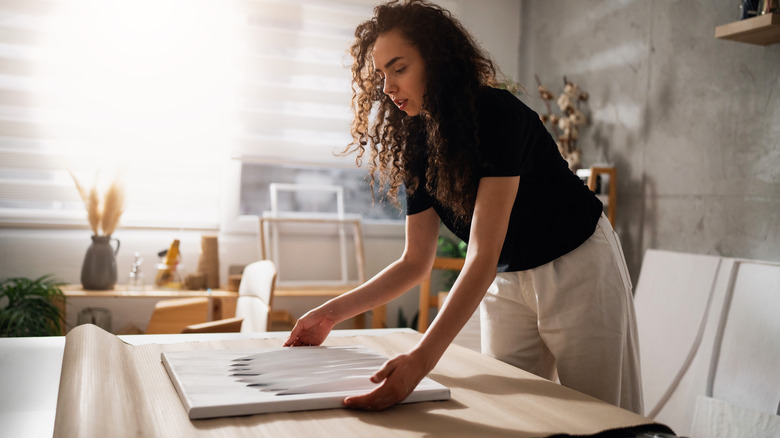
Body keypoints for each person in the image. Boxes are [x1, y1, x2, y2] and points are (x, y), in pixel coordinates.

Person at [284, 0, 643, 414]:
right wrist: (329, 315)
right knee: (515, 412)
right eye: (382, 75)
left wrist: (420, 360)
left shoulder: (498, 115)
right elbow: (415, 262)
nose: (387, 88)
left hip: (579, 264)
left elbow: (481, 255)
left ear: (438, 62)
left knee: (603, 415)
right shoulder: (416, 142)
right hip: (508, 279)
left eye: (399, 69)